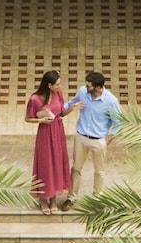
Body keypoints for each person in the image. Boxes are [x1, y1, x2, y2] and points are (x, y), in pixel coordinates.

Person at [69, 70, 122, 199]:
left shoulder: (111, 101)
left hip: (98, 141)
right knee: (76, 169)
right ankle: (71, 197)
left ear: (98, 87)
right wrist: (60, 111)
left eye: (89, 86)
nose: (85, 88)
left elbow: (118, 123)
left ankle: (97, 198)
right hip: (81, 137)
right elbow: (71, 102)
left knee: (99, 171)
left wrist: (107, 140)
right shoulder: (83, 92)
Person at [25, 70, 71, 212]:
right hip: (44, 133)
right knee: (45, 164)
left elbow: (62, 112)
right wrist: (41, 120)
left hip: (57, 131)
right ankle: (43, 200)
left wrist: (73, 108)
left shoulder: (58, 93)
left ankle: (54, 199)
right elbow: (28, 118)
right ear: (49, 85)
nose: (59, 86)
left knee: (57, 163)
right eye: (57, 84)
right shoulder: (35, 99)